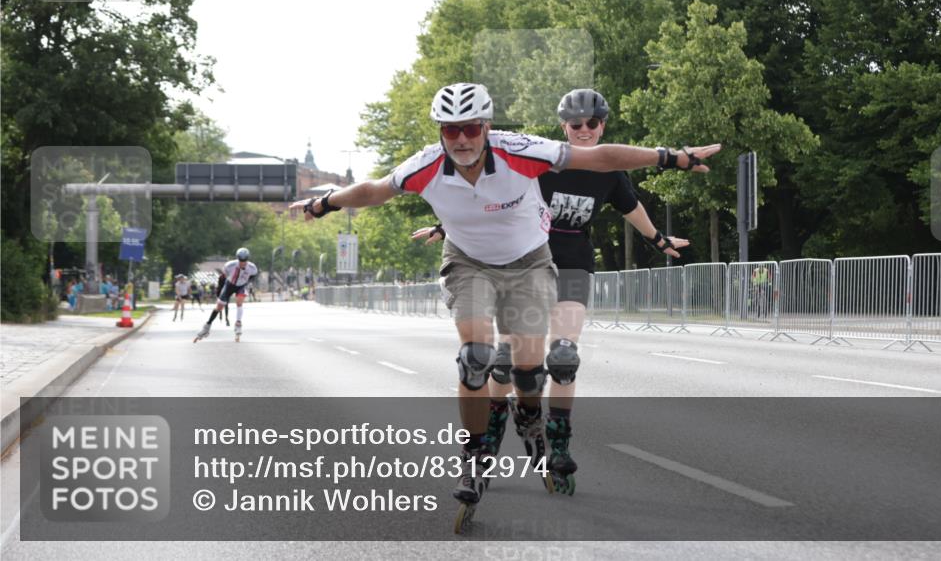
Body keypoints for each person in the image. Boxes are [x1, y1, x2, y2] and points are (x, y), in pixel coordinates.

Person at [290, 82, 719, 522]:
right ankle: (475, 456)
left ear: (487, 127)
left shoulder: (521, 150)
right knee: (475, 357)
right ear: (440, 130)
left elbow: (601, 159)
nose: (461, 139)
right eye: (451, 130)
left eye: (471, 128)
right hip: (468, 261)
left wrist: (672, 157)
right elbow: (374, 190)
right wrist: (325, 202)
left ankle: (530, 416)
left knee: (529, 372)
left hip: (530, 262)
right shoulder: (427, 165)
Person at [413, 88, 691, 495]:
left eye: (592, 124)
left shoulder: (610, 170)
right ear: (564, 126)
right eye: (575, 125)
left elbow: (631, 208)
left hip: (573, 263)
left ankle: (558, 442)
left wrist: (658, 239)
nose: (584, 131)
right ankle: (488, 439)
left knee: (563, 357)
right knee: (505, 362)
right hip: (524, 262)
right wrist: (447, 227)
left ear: (603, 126)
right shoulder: (544, 159)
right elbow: (491, 196)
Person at [194, 248, 258, 342]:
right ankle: (207, 326)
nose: (242, 263)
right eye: (240, 261)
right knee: (219, 307)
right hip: (229, 285)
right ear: (237, 259)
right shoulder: (229, 265)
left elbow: (252, 277)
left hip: (241, 285)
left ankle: (238, 323)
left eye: (244, 261)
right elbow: (223, 278)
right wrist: (219, 291)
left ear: (247, 259)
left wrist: (246, 283)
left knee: (239, 301)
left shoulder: (252, 268)